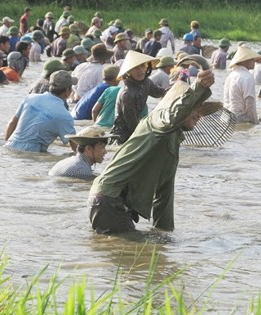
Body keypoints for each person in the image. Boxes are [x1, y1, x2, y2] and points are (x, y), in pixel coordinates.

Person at [88, 67, 216, 233]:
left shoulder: (172, 139)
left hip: (115, 202)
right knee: (130, 250)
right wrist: (198, 87)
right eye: (195, 108)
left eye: (200, 110)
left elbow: (165, 192)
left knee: (140, 250)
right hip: (109, 198)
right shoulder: (156, 120)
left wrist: (165, 232)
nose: (199, 115)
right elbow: (173, 116)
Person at [4, 70, 77, 152]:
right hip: (31, 154)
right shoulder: (64, 115)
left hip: (9, 146)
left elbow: (12, 123)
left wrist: (6, 144)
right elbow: (74, 144)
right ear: (67, 90)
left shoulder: (30, 98)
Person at [110, 50, 166, 144]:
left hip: (134, 130)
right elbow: (132, 125)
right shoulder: (127, 94)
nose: (140, 70)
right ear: (128, 71)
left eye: (142, 66)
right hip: (121, 136)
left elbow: (159, 93)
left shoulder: (146, 83)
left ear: (146, 67)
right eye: (135, 67)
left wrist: (177, 86)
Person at [49, 126, 116, 180]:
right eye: (102, 147)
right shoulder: (83, 172)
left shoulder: (65, 161)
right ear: (88, 149)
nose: (105, 152)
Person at [223, 46, 261, 124]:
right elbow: (250, 102)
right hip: (239, 118)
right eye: (251, 59)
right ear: (244, 61)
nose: (254, 61)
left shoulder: (231, 75)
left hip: (225, 117)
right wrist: (255, 121)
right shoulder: (247, 76)